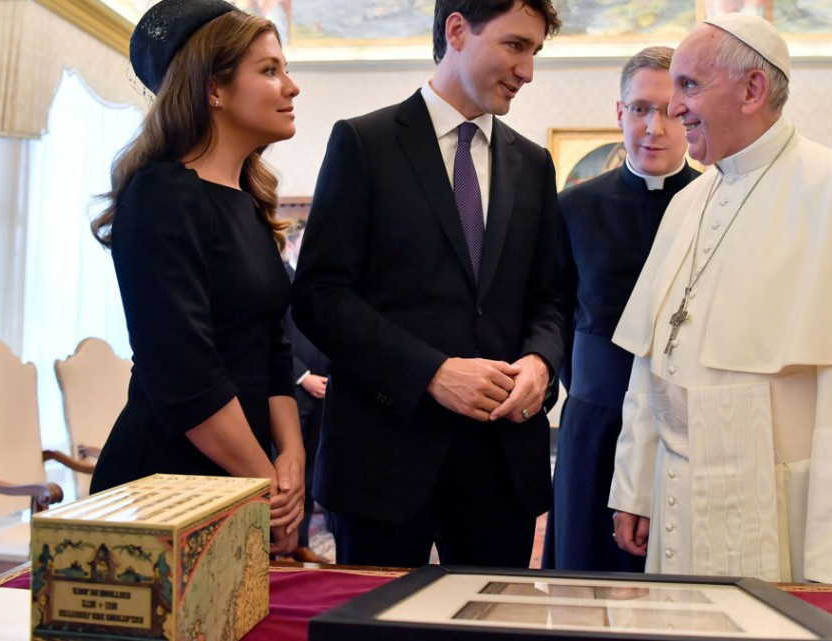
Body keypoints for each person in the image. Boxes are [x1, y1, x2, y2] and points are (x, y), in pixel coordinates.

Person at [608, 13, 832, 584]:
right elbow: (653, 360)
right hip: (681, 502)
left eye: (689, 85)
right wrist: (635, 486)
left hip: (788, 519)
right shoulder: (687, 203)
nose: (674, 107)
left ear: (752, 89)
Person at [291, 0, 565, 568]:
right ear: (457, 31)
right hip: (384, 459)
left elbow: (552, 299)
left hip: (501, 466)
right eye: (515, 45)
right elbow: (320, 297)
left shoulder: (534, 164)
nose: (528, 71)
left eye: (535, 52)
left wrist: (541, 363)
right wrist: (432, 374)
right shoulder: (363, 143)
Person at [89, 0, 305, 554]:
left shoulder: (248, 203)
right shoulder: (162, 194)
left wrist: (291, 456)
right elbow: (184, 371)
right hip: (168, 485)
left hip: (240, 475)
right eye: (270, 70)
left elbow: (272, 348)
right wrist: (263, 484)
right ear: (213, 89)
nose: (291, 87)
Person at [544, 46, 698, 572]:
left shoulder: (713, 203)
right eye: (639, 109)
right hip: (596, 417)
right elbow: (556, 312)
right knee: (585, 575)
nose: (653, 127)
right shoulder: (573, 206)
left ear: (688, 115)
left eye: (669, 111)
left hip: (685, 424)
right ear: (619, 113)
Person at [281, 223, 331, 563]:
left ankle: (301, 541)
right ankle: (282, 544)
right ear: (293, 242)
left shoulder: (323, 283)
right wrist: (304, 377)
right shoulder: (280, 280)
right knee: (289, 469)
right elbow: (276, 339)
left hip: (325, 389)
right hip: (291, 391)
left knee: (312, 470)